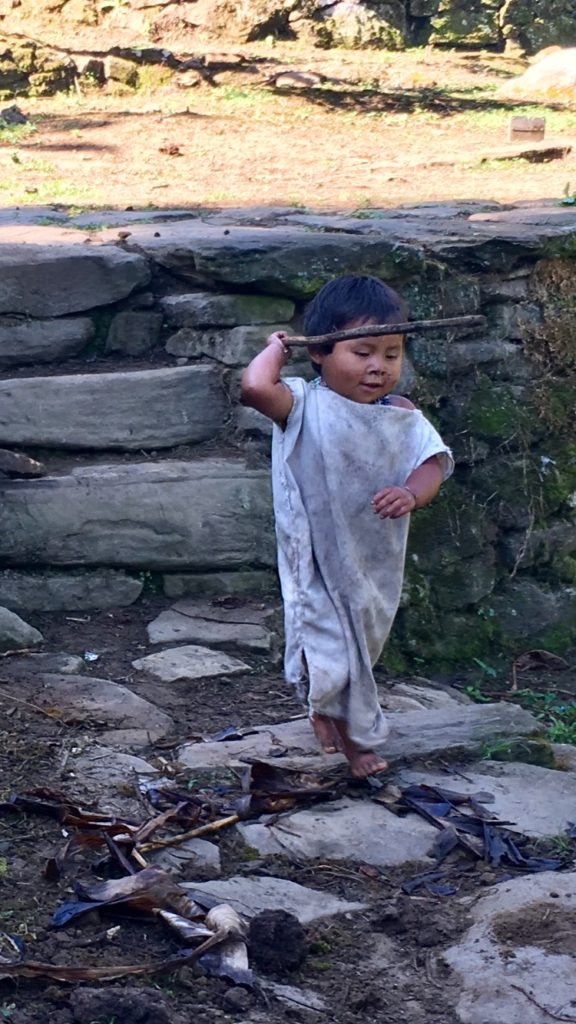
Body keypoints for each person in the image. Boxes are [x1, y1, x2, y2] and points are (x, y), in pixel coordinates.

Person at [241, 275, 453, 778]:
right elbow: (254, 387)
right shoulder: (301, 405)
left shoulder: (401, 415)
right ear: (318, 352)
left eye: (392, 353)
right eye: (362, 352)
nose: (378, 366)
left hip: (374, 558)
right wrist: (277, 347)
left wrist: (410, 493)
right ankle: (357, 741)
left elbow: (433, 465)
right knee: (329, 641)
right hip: (315, 555)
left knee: (363, 642)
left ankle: (325, 709)